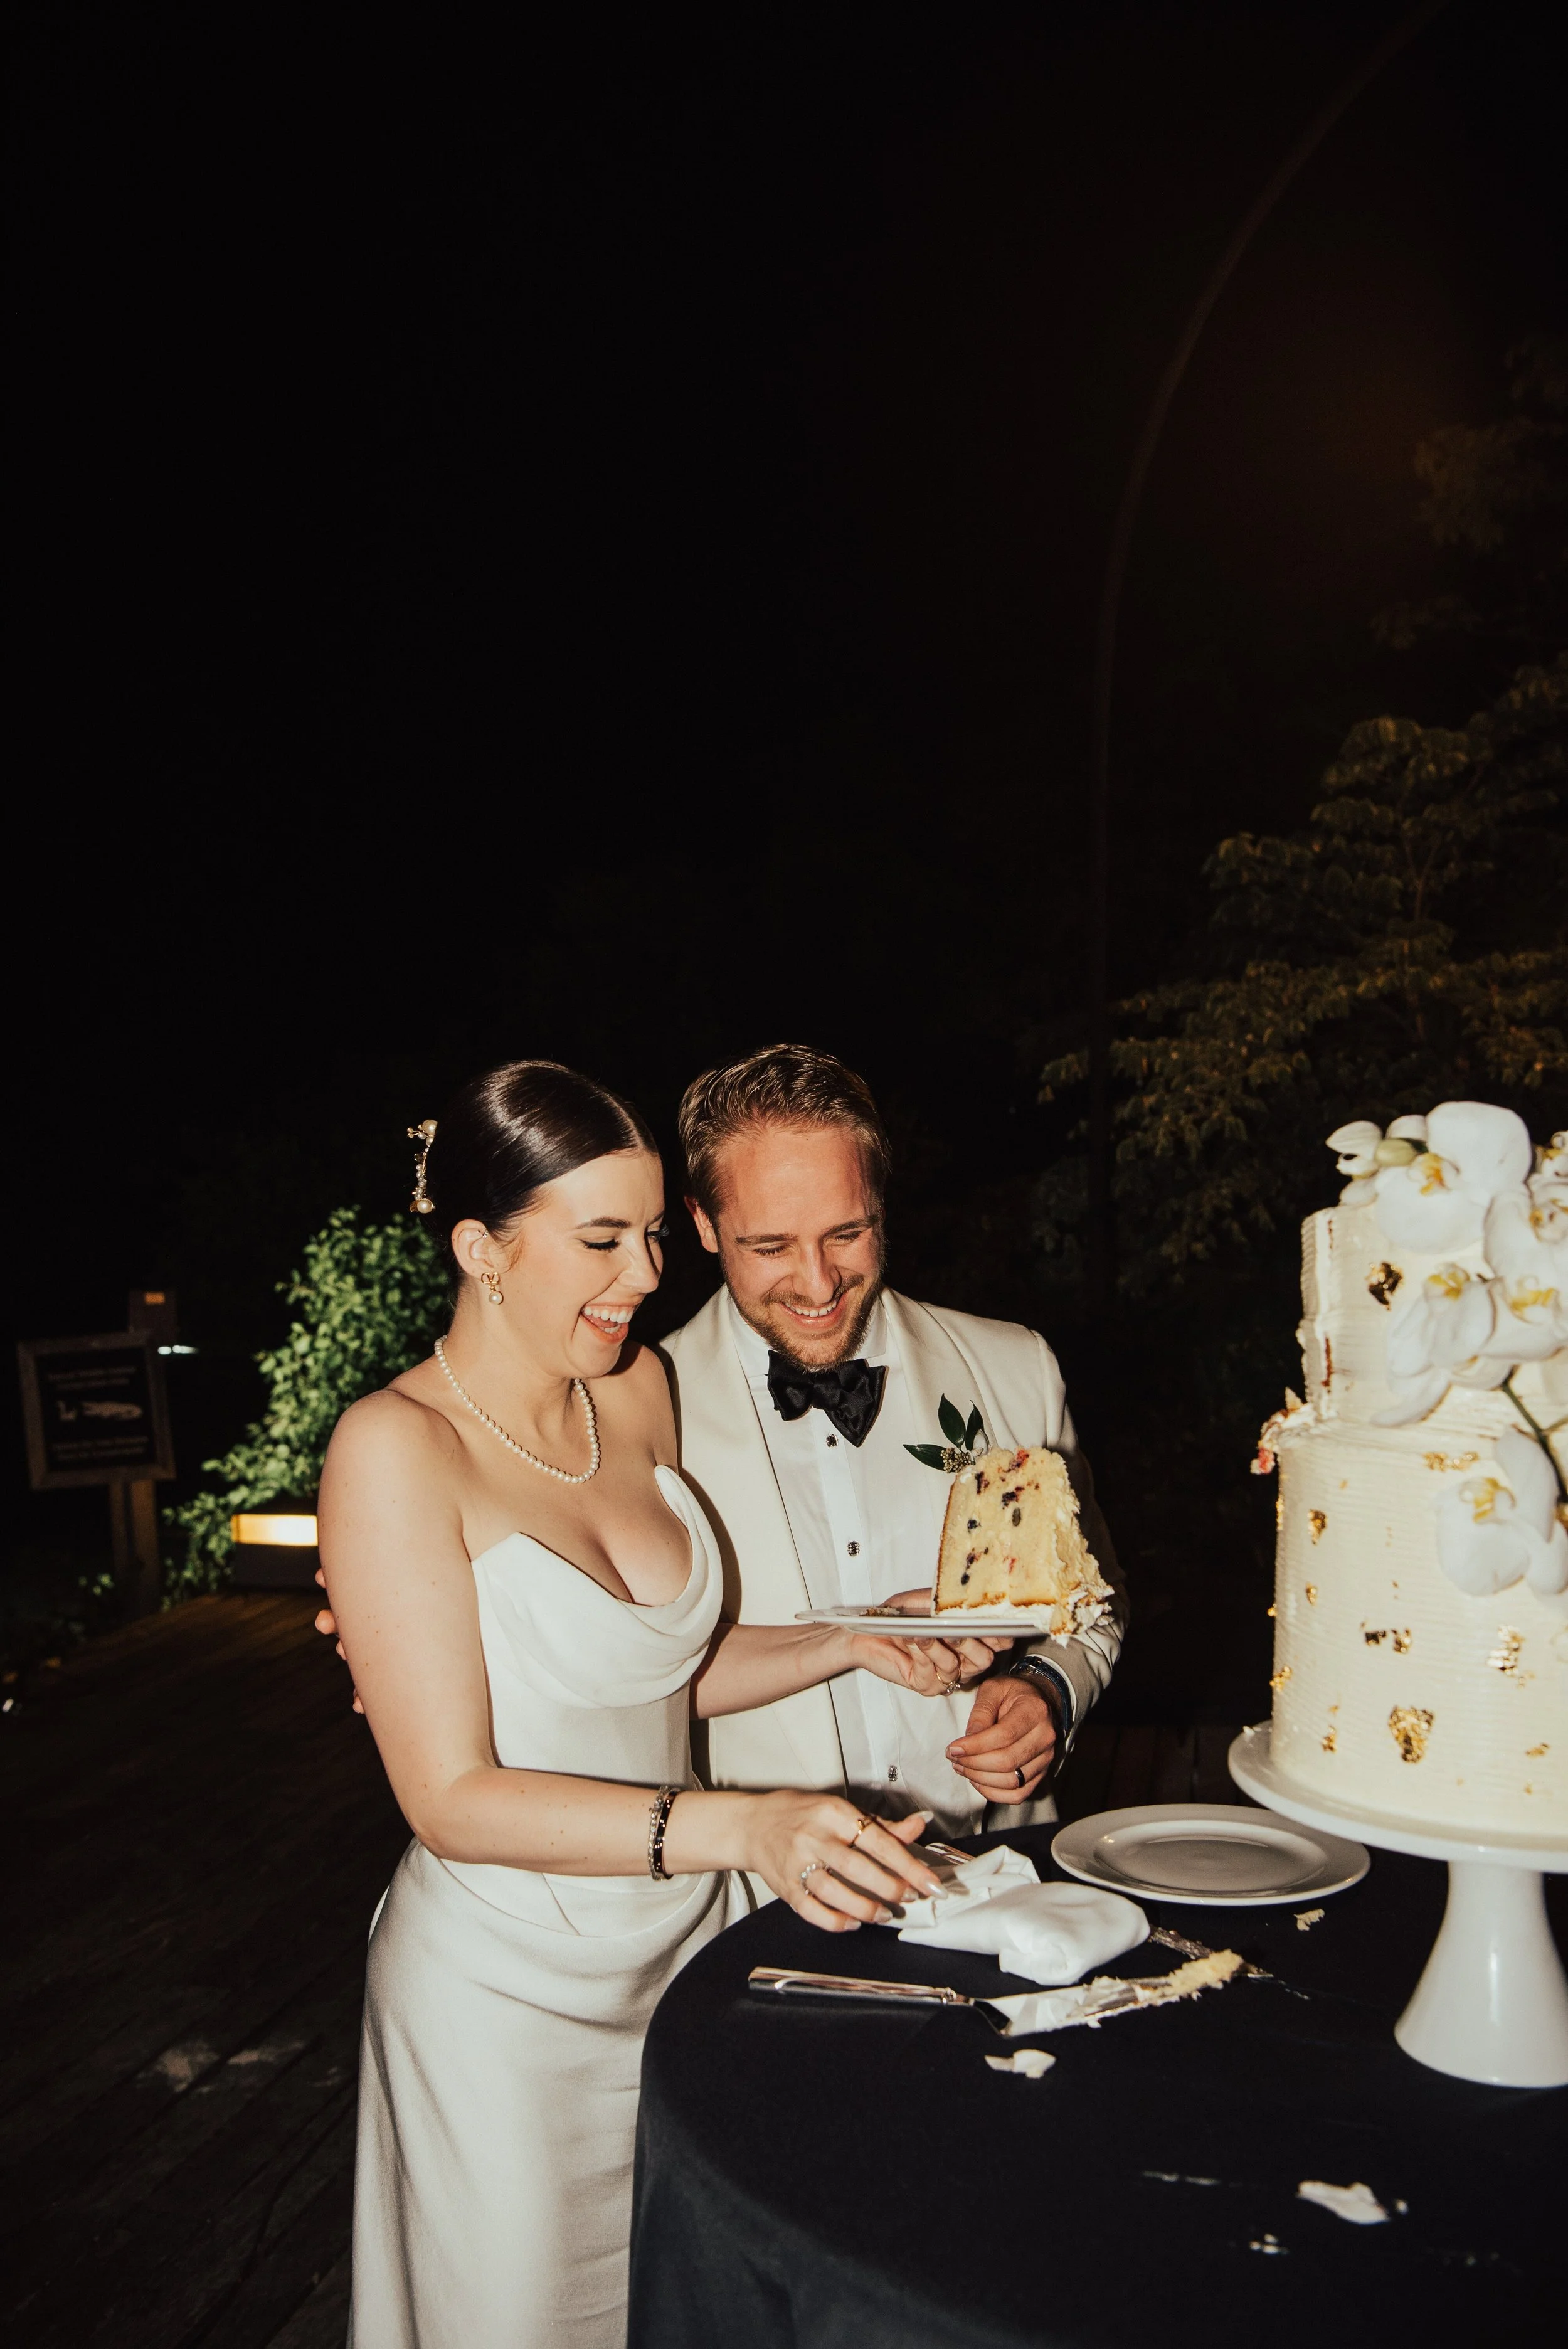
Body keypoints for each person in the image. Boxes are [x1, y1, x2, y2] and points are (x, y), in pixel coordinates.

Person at [322, 1059, 977, 2349]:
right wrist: (743, 1828)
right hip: (503, 1999)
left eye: (645, 1234)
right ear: (481, 1248)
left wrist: (851, 1641)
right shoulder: (393, 1448)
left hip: (678, 1963)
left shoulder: (633, 1394)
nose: (643, 1277)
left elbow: (657, 1677)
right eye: (601, 1241)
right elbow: (449, 1800)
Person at [664, 1042, 1125, 1851]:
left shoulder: (1017, 1369)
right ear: (703, 1224)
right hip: (752, 1903)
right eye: (770, 1246)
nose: (817, 1282)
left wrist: (1048, 1686)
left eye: (847, 1232)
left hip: (1001, 1876)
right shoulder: (633, 1411)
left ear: (882, 1201)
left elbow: (1094, 1602)